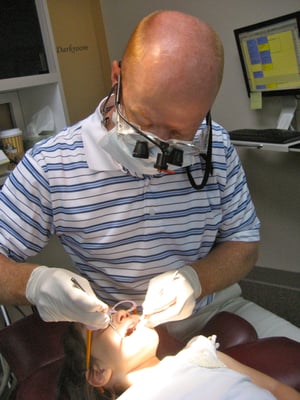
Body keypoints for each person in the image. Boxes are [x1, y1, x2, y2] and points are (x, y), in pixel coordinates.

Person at [0, 10, 299, 342]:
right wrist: (35, 284)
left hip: (213, 309)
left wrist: (195, 280)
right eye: (144, 121)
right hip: (120, 331)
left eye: (175, 134)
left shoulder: (216, 146)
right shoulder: (50, 165)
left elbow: (244, 243)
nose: (157, 151)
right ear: (117, 78)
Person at [57, 307, 300, 400]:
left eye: (113, 310)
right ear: (98, 374)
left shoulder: (199, 351)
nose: (121, 314)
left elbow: (278, 391)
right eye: (100, 326)